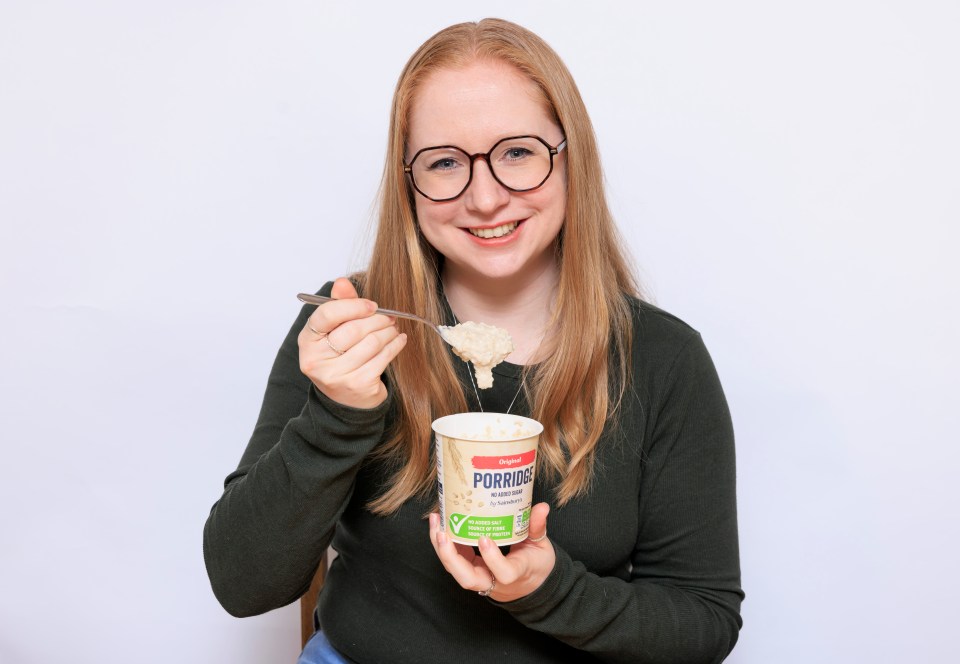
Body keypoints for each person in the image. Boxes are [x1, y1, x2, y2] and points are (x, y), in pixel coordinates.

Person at [203, 17, 743, 664]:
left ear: (571, 158)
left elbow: (703, 624)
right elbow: (242, 585)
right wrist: (337, 413)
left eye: (517, 152)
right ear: (409, 182)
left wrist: (549, 590)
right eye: (444, 162)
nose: (485, 198)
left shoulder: (661, 360)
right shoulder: (351, 327)